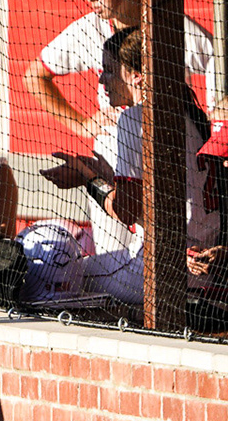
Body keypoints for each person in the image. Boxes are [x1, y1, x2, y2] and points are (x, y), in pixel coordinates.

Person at [41, 27, 216, 306]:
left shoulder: (135, 117)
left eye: (110, 71)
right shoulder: (190, 113)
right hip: (204, 266)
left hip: (161, 268)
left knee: (56, 273)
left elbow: (126, 209)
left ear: (137, 76)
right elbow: (162, 193)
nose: (102, 79)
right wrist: (100, 172)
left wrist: (87, 178)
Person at [23, 0, 211, 142]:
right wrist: (82, 125)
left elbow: (219, 64)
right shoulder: (88, 28)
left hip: (168, 149)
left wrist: (217, 120)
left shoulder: (169, 26)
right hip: (112, 153)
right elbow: (34, 77)